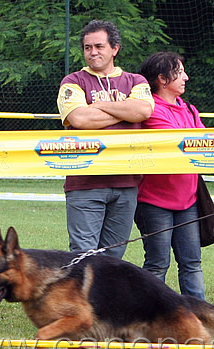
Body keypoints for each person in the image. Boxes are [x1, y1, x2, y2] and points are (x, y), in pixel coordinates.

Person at [57, 20, 154, 259]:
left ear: (115, 48)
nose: (93, 52)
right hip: (85, 182)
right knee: (83, 258)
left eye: (99, 46)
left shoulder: (136, 81)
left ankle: (104, 299)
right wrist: (123, 110)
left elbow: (142, 112)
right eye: (88, 47)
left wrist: (99, 105)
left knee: (113, 259)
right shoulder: (72, 81)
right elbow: (80, 118)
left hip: (126, 183)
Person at [134, 52, 205, 300]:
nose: (186, 77)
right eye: (180, 71)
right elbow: (179, 143)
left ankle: (199, 318)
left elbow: (205, 145)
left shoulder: (188, 108)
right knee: (157, 264)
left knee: (192, 263)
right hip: (154, 202)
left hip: (188, 201)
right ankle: (147, 317)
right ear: (163, 79)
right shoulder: (149, 110)